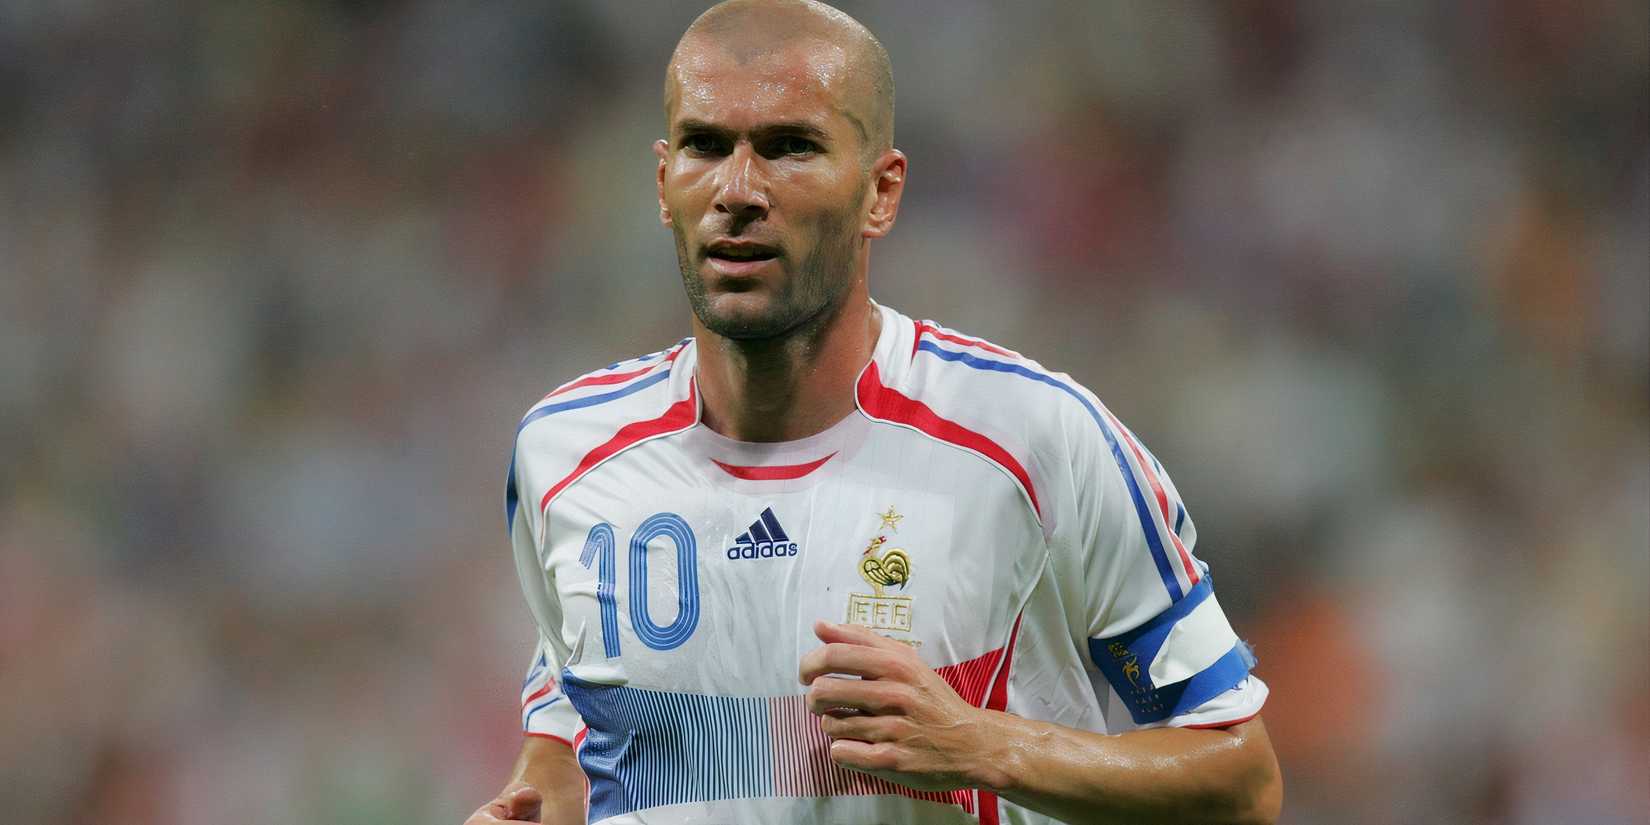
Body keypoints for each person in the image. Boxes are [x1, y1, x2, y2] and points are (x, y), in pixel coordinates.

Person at [466, 1, 1282, 823]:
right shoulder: (565, 456)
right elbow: (573, 752)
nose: (738, 190)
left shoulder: (1034, 442)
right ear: (663, 182)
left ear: (880, 193)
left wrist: (983, 744)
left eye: (790, 147)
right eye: (705, 146)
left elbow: (1240, 780)